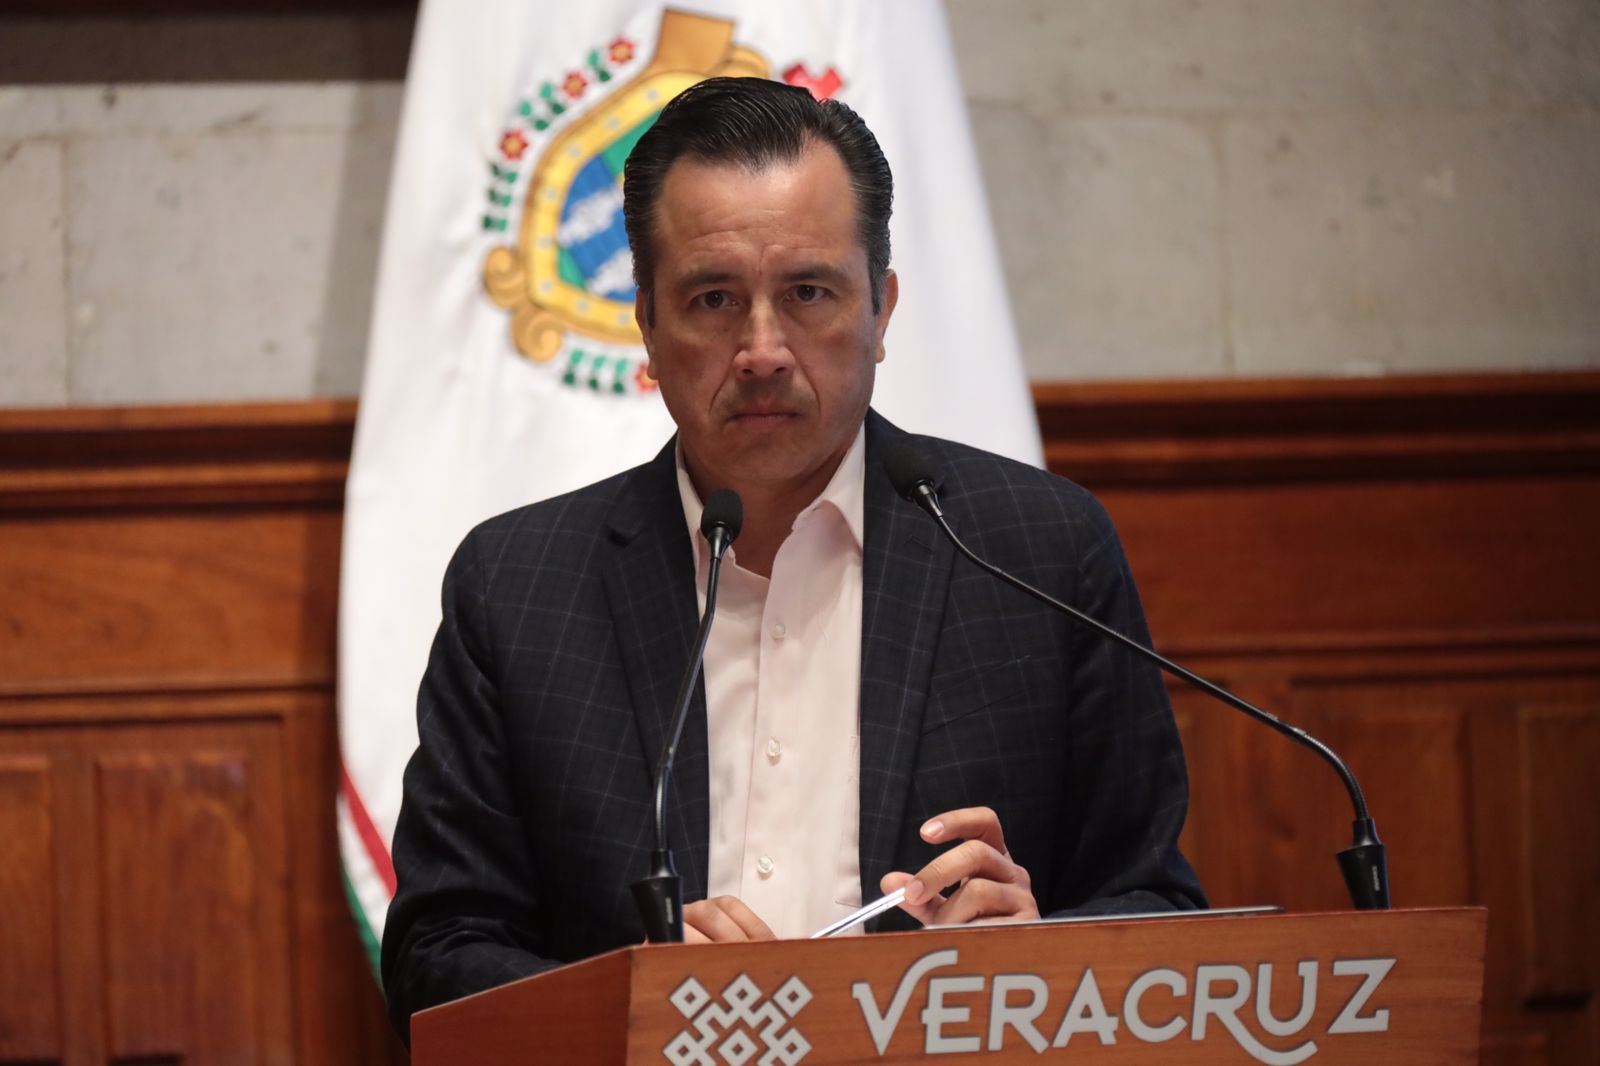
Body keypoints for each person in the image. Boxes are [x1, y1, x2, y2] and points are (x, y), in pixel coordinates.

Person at [381, 76, 1203, 1040]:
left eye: (808, 293)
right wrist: (638, 1004)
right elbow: (437, 956)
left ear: (881, 309)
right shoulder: (520, 587)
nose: (763, 350)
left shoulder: (1039, 552)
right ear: (647, 322)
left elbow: (1157, 906)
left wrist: (1037, 959)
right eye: (713, 299)